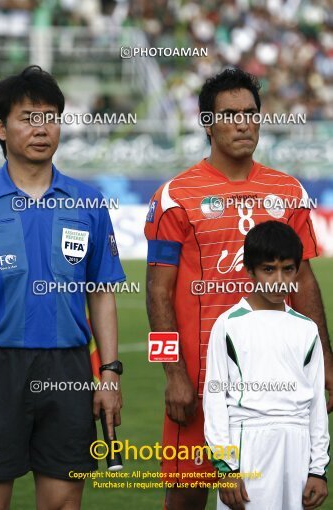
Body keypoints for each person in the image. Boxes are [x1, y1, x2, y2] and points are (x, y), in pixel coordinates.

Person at [144, 68, 333, 510]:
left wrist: (324, 358)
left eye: (251, 113)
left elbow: (303, 279)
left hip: (276, 381)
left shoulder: (287, 192)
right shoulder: (176, 196)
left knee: (266, 499)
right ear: (207, 122)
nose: (244, 123)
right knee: (186, 498)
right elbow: (155, 293)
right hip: (198, 381)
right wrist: (172, 375)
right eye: (229, 114)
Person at [0, 66, 125, 510]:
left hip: (68, 370)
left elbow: (103, 292)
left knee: (64, 504)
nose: (41, 128)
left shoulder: (88, 203)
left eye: (50, 117)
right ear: (0, 128)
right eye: (27, 117)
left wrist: (109, 372)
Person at [203, 220, 330, 510]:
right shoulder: (228, 325)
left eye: (288, 269)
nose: (279, 280)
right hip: (249, 443)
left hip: (297, 446)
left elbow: (316, 405)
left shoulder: (306, 328)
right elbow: (214, 400)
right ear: (250, 271)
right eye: (268, 269)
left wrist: (317, 469)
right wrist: (226, 469)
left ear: (298, 270)